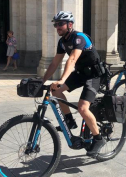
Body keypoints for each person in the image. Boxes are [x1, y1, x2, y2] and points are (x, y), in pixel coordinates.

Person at [42, 11, 105, 157]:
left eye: (60, 24)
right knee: (56, 91)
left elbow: (72, 59)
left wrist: (62, 80)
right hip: (81, 74)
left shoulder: (79, 38)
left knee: (83, 108)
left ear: (70, 24)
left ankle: (98, 138)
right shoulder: (62, 42)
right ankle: (69, 121)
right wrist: (42, 80)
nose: (57, 27)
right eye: (56, 24)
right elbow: (54, 63)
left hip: (94, 75)